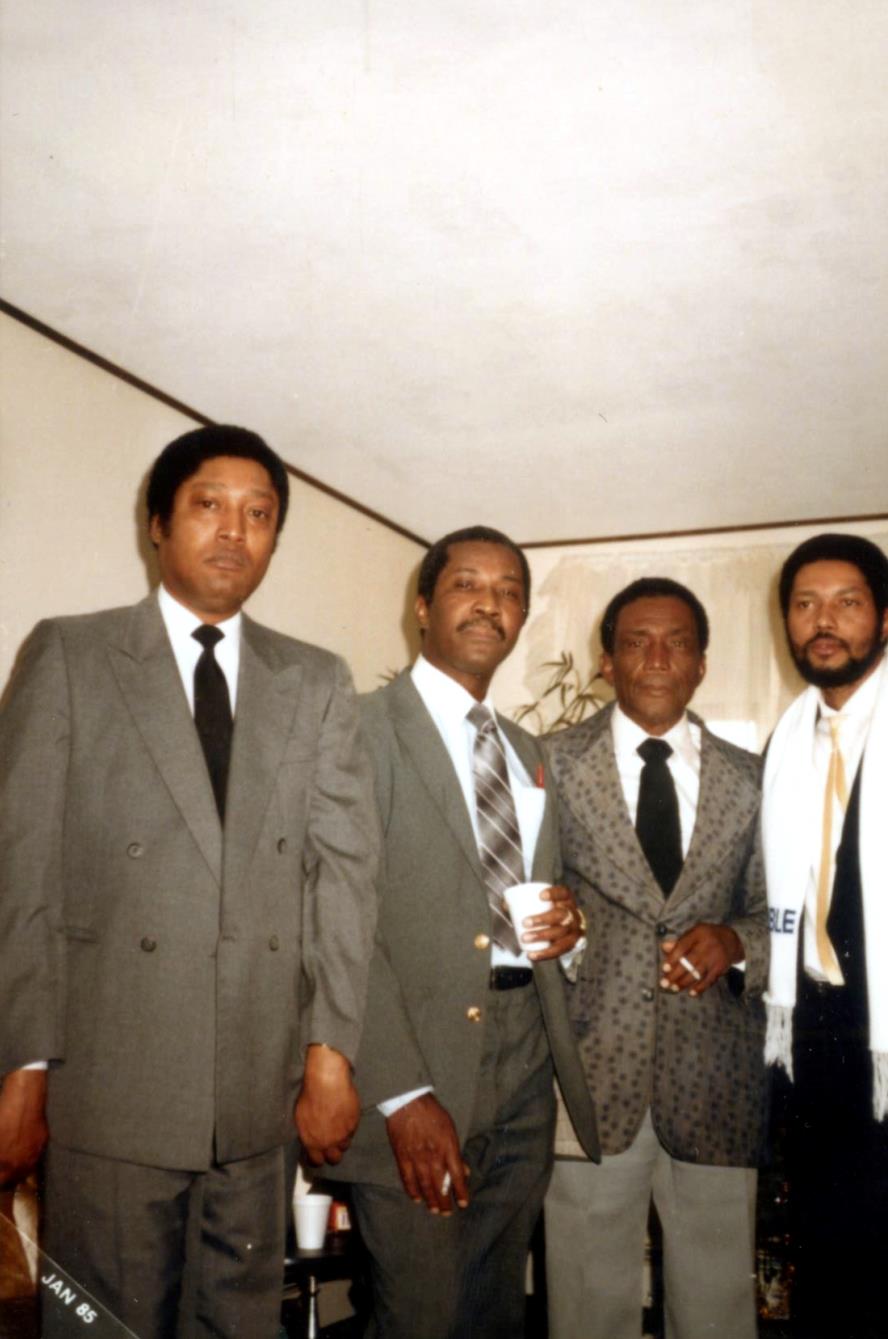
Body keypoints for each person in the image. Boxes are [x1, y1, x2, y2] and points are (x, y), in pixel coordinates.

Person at [0, 425, 380, 1338]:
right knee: (102, 1325)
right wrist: (21, 1067)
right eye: (209, 505)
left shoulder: (315, 679)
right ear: (158, 523)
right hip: (111, 1085)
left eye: (260, 514)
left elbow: (344, 878)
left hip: (256, 1095)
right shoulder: (71, 654)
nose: (234, 531)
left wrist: (330, 1055)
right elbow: (21, 876)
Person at [330, 525, 599, 1339]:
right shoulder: (359, 729)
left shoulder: (527, 749)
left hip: (526, 1059)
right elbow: (339, 925)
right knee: (421, 1313)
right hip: (415, 1057)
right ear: (421, 606)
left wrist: (571, 926)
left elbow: (538, 889)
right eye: (467, 584)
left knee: (493, 1310)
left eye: (510, 590)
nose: (491, 603)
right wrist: (403, 1093)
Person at [544, 577, 768, 1339]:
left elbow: (783, 914)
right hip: (587, 1078)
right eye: (637, 641)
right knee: (584, 1307)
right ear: (607, 660)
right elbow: (517, 901)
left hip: (718, 1082)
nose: (658, 657)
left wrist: (737, 942)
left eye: (677, 643)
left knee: (718, 1310)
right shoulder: (551, 764)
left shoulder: (752, 777)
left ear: (702, 663)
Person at [762, 532, 888, 1339]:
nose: (823, 621)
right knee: (830, 1254)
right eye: (805, 604)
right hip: (816, 1035)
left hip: (887, 1024)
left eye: (847, 601)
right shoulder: (787, 740)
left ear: (885, 618)